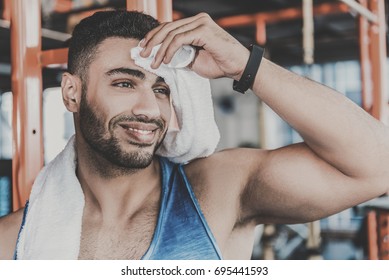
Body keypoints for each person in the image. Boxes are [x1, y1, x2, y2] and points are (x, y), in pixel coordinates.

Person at [0, 10, 388, 260]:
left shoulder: (218, 189)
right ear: (72, 93)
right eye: (123, 83)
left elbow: (377, 166)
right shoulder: (12, 241)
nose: (150, 109)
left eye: (162, 88)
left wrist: (245, 64)